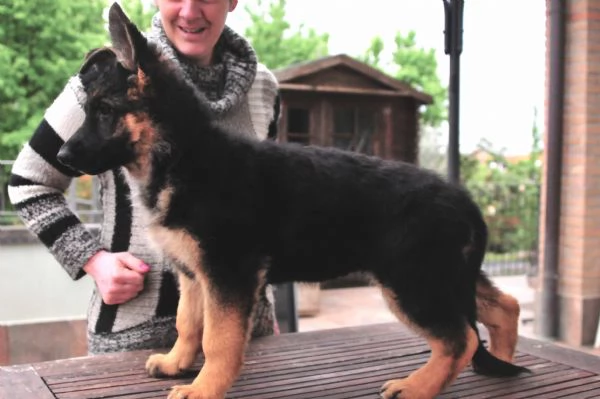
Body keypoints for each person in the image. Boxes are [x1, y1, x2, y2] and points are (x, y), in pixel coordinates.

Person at [8, 0, 280, 354]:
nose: (189, 11)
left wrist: (267, 312)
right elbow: (30, 181)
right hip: (133, 337)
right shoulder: (106, 79)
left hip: (244, 338)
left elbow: (263, 205)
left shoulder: (264, 88)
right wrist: (94, 260)